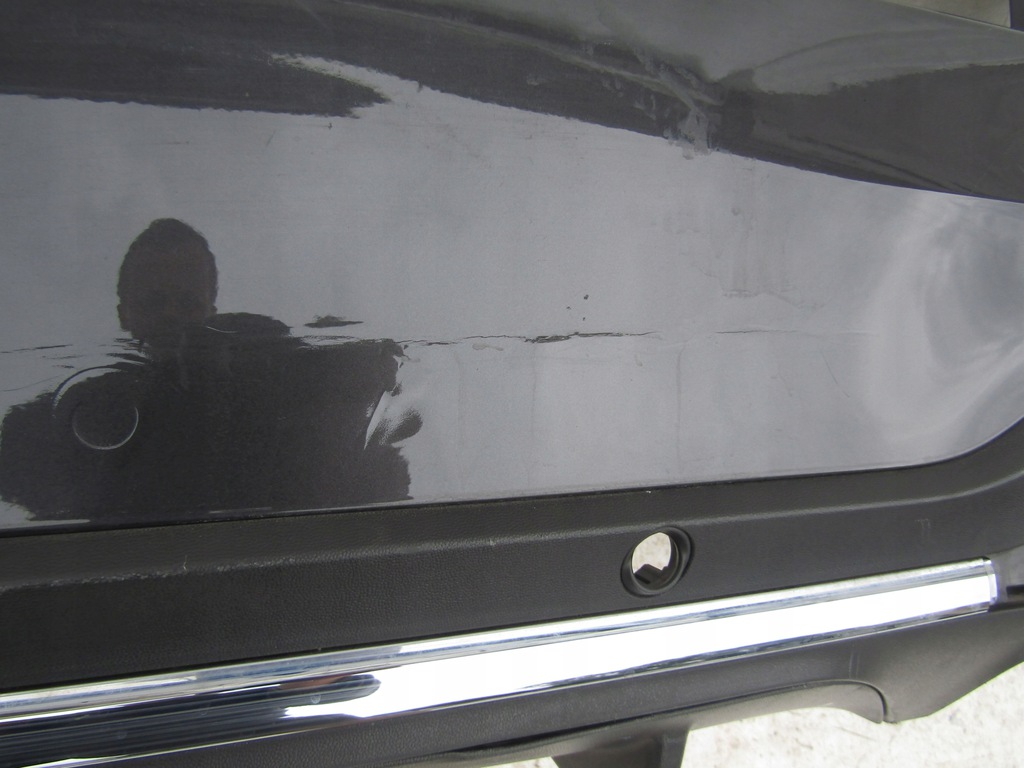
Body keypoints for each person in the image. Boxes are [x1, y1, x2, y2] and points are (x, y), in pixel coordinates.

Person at [0, 219, 414, 523]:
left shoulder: (265, 381)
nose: (171, 315)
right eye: (153, 302)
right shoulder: (84, 408)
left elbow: (379, 479)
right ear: (124, 313)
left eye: (187, 302)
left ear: (209, 308)